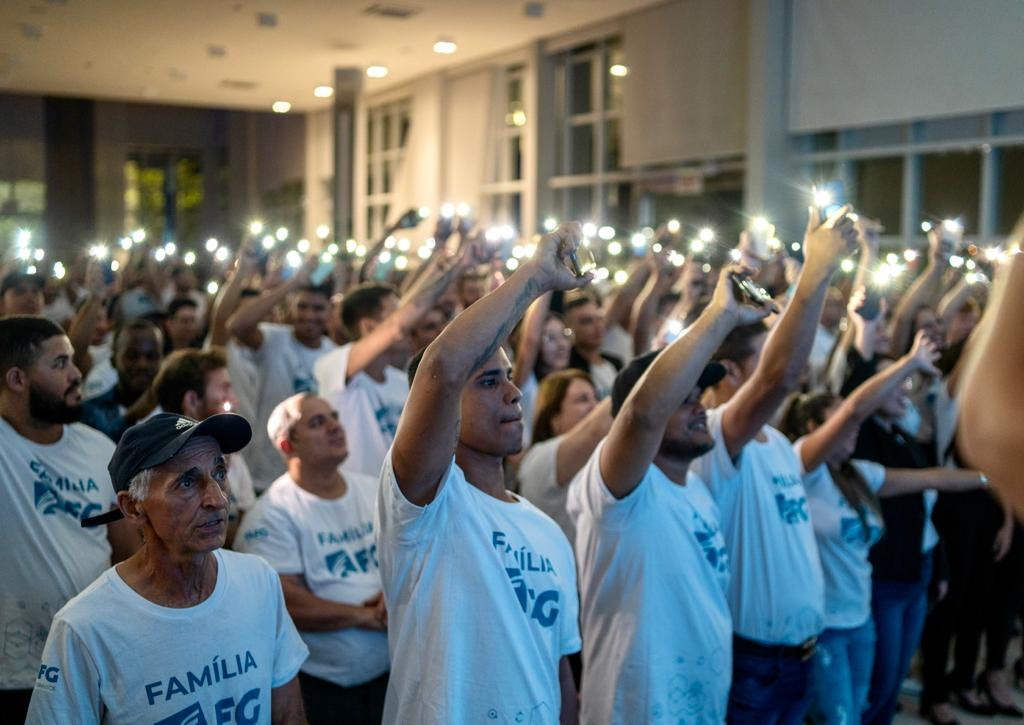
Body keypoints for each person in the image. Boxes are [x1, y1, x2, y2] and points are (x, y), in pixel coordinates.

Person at [377, 223, 586, 723]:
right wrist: (534, 277)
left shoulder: (547, 532)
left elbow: (560, 676)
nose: (513, 395)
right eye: (489, 382)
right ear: (444, 407)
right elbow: (444, 365)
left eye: (510, 379)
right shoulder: (423, 506)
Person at [567, 265, 771, 723]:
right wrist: (718, 316)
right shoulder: (620, 490)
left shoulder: (697, 489)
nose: (700, 405)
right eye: (683, 398)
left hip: (703, 704)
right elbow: (641, 416)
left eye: (701, 393)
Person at [25, 412, 309, 723]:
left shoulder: (259, 581)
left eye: (219, 472)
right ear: (133, 507)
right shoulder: (85, 628)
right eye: (187, 482)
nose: (217, 499)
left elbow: (288, 715)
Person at [692, 204, 859, 723]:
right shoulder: (718, 436)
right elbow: (780, 378)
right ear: (737, 372)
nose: (789, 358)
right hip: (754, 664)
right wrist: (817, 269)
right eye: (765, 354)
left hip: (802, 654)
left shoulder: (780, 443)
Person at [781, 330, 986, 725]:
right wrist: (909, 361)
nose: (851, 432)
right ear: (813, 428)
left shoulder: (859, 473)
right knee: (839, 718)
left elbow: (933, 478)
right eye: (838, 425)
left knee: (865, 708)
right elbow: (854, 412)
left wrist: (993, 478)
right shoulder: (805, 470)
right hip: (826, 626)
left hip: (861, 619)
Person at [0, 316, 137, 720]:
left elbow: (126, 551)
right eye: (60, 363)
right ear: (17, 379)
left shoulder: (97, 447)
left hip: (93, 660)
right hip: (14, 674)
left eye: (73, 362)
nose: (77, 374)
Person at [237, 393, 389, 724]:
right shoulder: (273, 513)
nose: (335, 426)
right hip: (323, 690)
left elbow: (404, 558)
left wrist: (393, 594)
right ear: (287, 446)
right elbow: (287, 602)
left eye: (334, 416)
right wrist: (365, 616)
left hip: (390, 677)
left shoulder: (370, 490)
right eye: (317, 423)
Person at [314, 255, 463, 479]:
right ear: (368, 326)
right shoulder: (334, 366)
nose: (411, 323)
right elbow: (396, 327)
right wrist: (455, 270)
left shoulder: (400, 380)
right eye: (396, 313)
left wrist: (433, 274)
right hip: (357, 505)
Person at [227, 259, 337, 491]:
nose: (309, 315)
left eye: (317, 309)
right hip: (265, 474)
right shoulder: (273, 338)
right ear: (291, 307)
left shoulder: (335, 355)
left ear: (329, 312)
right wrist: (292, 284)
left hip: (312, 474)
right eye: (302, 307)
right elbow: (236, 326)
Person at [152, 347, 256, 545]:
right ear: (192, 401)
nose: (234, 400)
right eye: (224, 389)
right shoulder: (155, 468)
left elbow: (244, 534)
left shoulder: (235, 459)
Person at [517, 369, 609, 541]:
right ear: (555, 419)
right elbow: (596, 430)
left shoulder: (598, 463)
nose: (595, 406)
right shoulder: (538, 458)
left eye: (596, 397)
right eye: (583, 399)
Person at [80, 318, 164, 441]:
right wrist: (130, 417)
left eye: (151, 356)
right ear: (113, 361)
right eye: (132, 356)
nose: (142, 365)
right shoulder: (91, 412)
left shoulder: (178, 408)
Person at [565, 293, 622, 399]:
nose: (597, 326)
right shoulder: (568, 368)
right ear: (570, 327)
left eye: (599, 318)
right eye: (587, 321)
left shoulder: (616, 363)